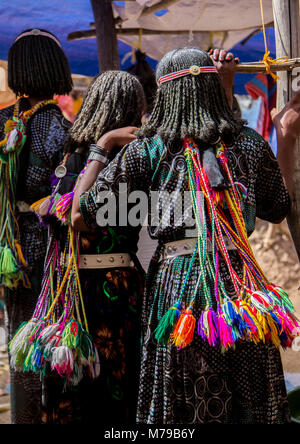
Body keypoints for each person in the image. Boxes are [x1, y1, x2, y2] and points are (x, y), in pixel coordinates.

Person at [72, 47, 298, 424]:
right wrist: (285, 137)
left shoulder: (146, 151)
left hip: (179, 293)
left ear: (165, 95)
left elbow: (81, 215)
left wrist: (102, 146)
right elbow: (278, 208)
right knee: (248, 391)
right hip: (239, 288)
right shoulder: (247, 145)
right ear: (212, 88)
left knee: (187, 398)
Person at [41, 71, 146, 424]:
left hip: (68, 289)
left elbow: (51, 210)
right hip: (115, 288)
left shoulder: (68, 153)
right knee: (115, 387)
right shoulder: (132, 156)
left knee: (71, 383)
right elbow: (77, 214)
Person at [0, 28, 72, 424]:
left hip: (12, 248)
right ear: (55, 69)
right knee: (52, 336)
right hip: (49, 244)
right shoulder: (56, 128)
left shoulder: (2, 123)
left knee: (19, 339)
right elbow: (68, 195)